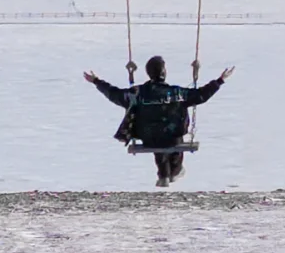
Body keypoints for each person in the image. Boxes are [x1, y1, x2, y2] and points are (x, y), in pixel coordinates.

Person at [84, 54, 235, 187]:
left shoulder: (137, 93)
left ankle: (164, 175)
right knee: (172, 137)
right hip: (173, 138)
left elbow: (114, 94)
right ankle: (174, 171)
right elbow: (202, 95)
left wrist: (97, 81)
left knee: (156, 135)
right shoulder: (177, 93)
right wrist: (220, 80)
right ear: (164, 72)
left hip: (149, 138)